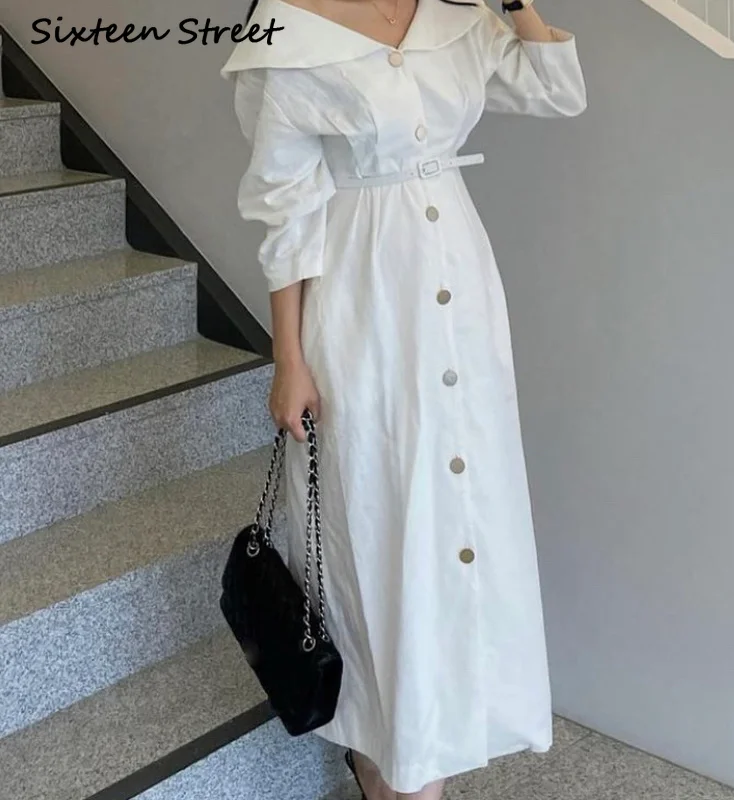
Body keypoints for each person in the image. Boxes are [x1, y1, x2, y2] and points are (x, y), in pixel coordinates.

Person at [220, 0, 586, 797]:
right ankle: (383, 742)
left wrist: (514, 5)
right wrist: (289, 358)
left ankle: (432, 724)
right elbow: (286, 211)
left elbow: (557, 91)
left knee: (463, 507)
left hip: (459, 288)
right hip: (362, 299)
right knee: (378, 516)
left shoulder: (457, 17)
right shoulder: (287, 31)